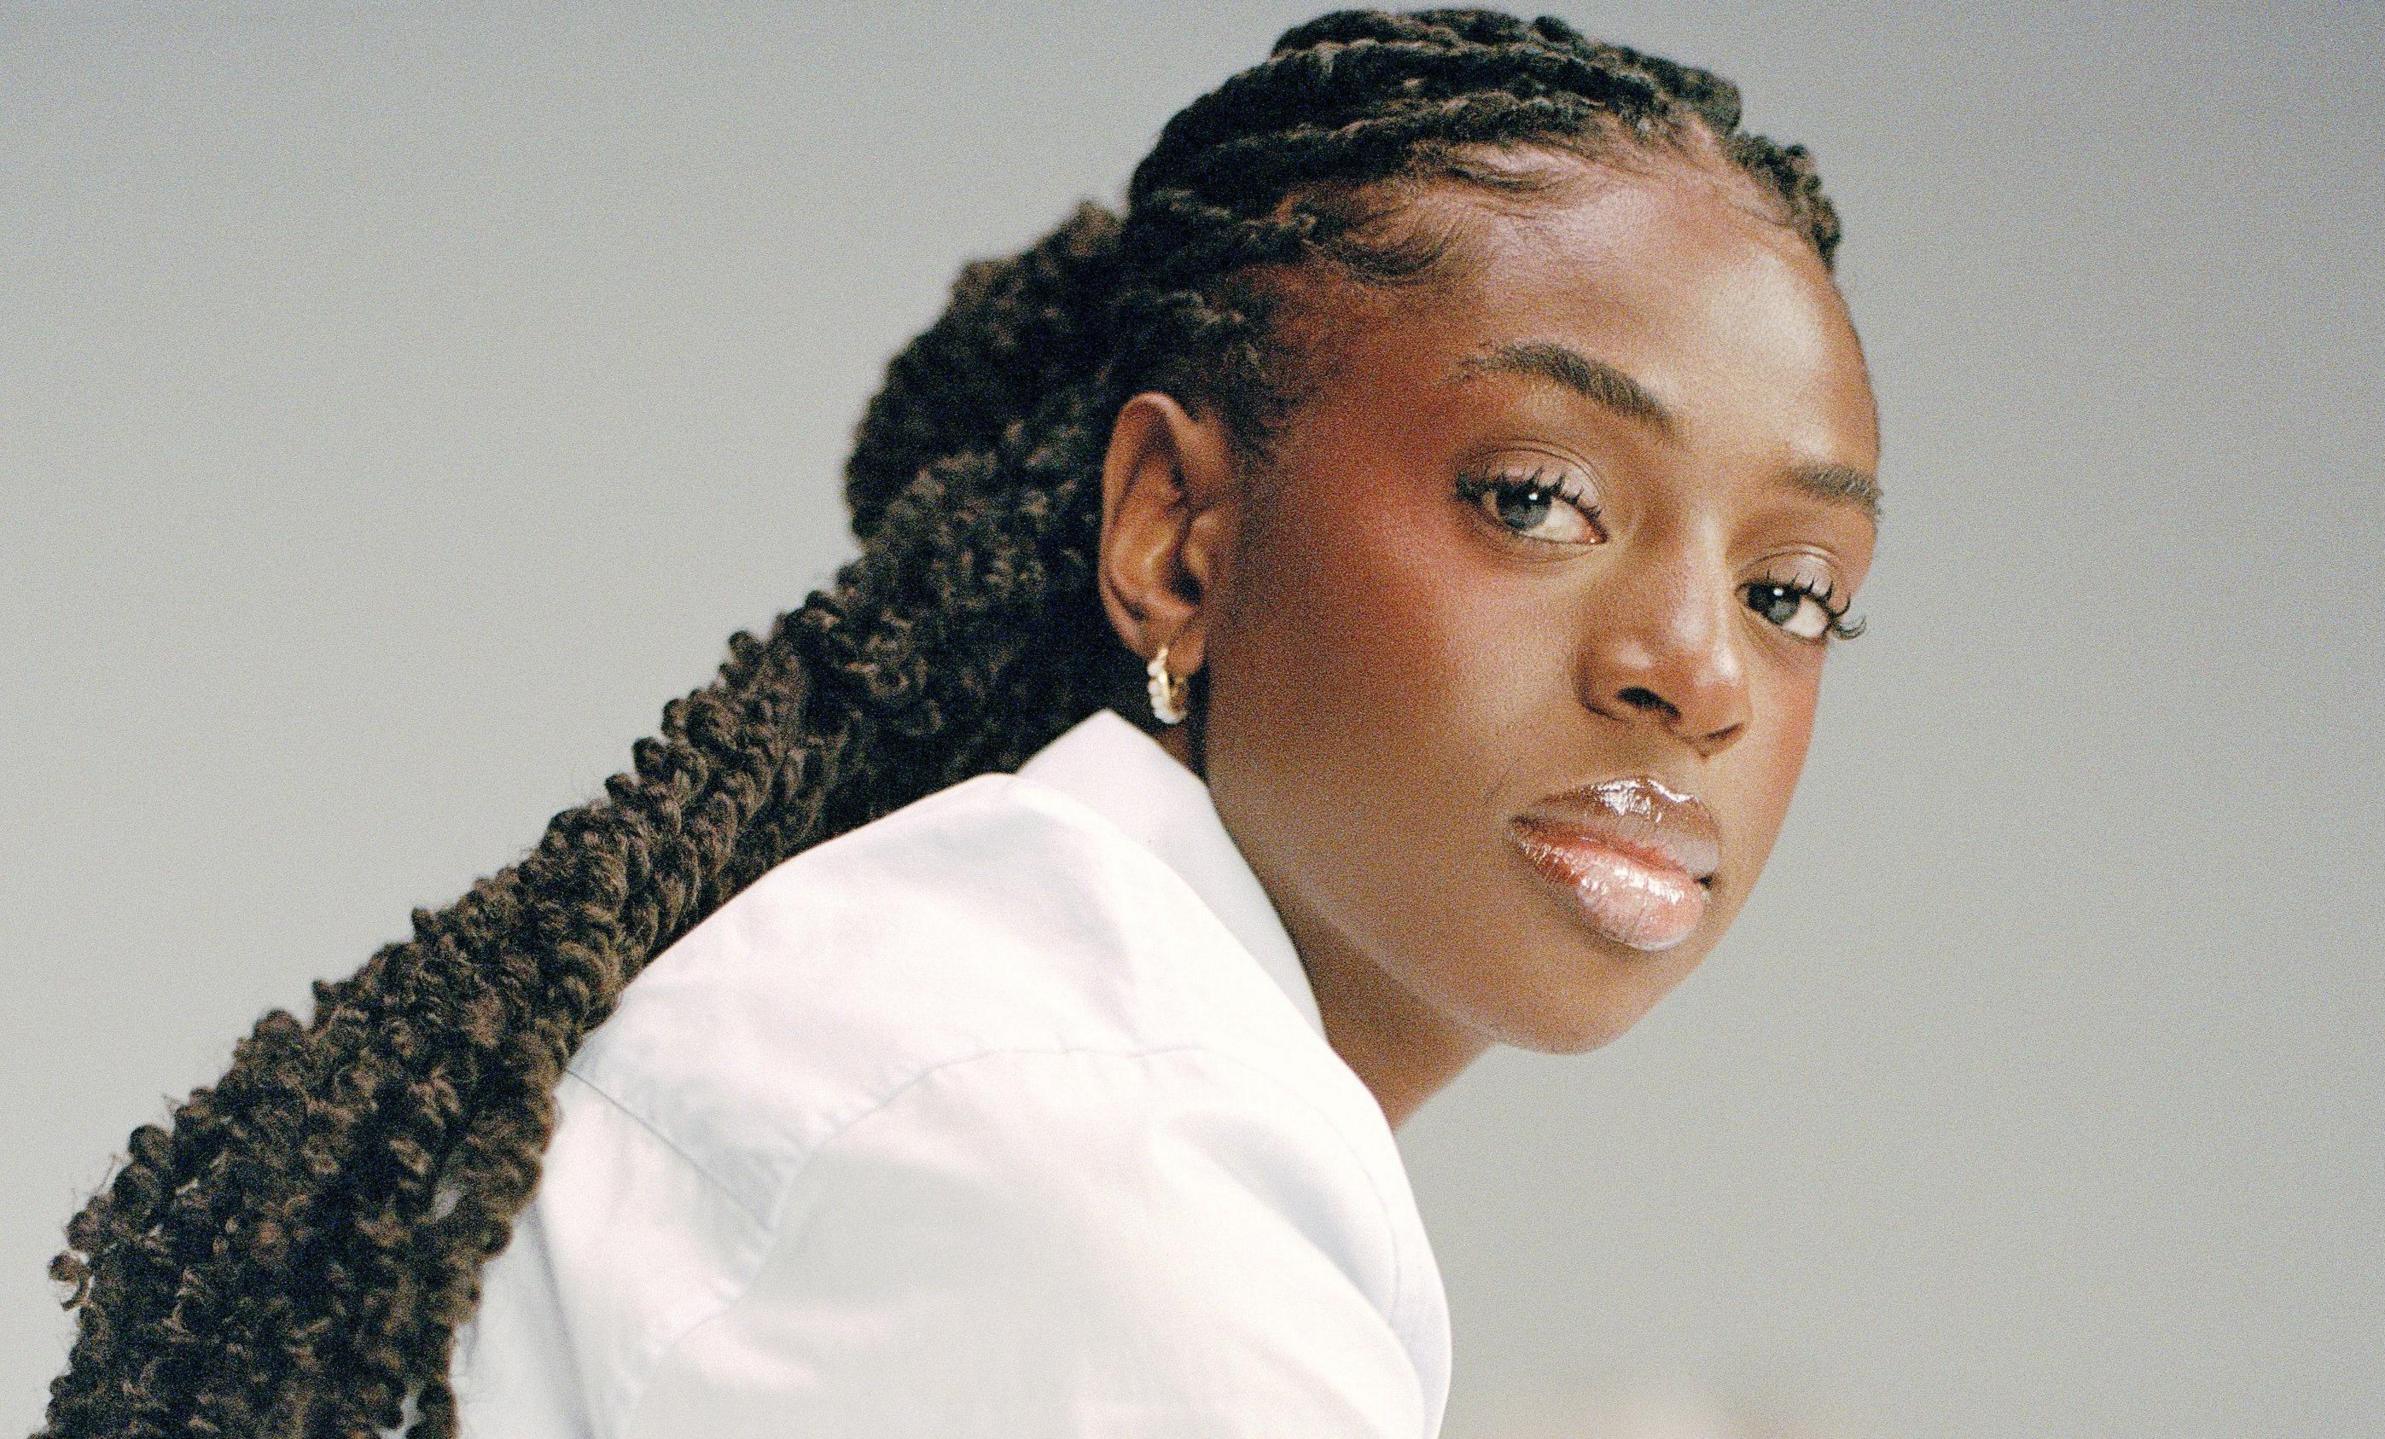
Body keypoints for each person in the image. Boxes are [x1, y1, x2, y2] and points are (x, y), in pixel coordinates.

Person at [36, 8, 1879, 1437]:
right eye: (1539, 498)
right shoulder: (1084, 1152)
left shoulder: (1035, 1042)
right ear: (1175, 531)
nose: (1697, 672)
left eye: (1791, 593)